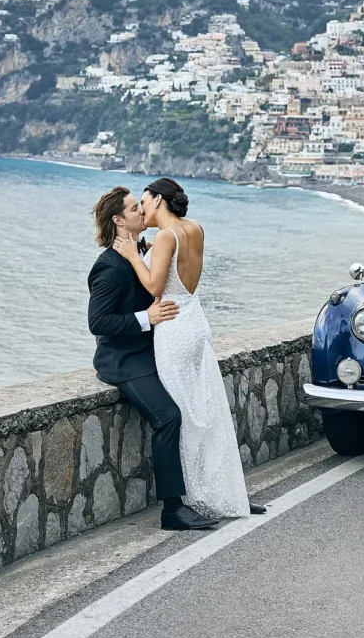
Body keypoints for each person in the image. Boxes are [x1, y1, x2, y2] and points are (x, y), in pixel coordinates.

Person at [112, 177, 265, 519]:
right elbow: (180, 272)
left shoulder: (166, 236)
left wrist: (133, 256)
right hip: (197, 322)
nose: (143, 210)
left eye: (146, 203)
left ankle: (194, 499)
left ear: (161, 201)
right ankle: (228, 494)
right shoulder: (194, 228)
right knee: (209, 412)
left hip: (174, 329)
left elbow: (155, 286)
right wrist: (150, 254)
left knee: (187, 417)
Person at [88, 186, 219, 531]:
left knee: (196, 410)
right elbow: (97, 322)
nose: (142, 213)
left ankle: (214, 492)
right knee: (169, 416)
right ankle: (172, 510)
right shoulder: (109, 266)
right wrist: (148, 318)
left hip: (154, 354)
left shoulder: (145, 248)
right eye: (135, 209)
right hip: (123, 361)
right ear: (118, 220)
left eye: (141, 205)